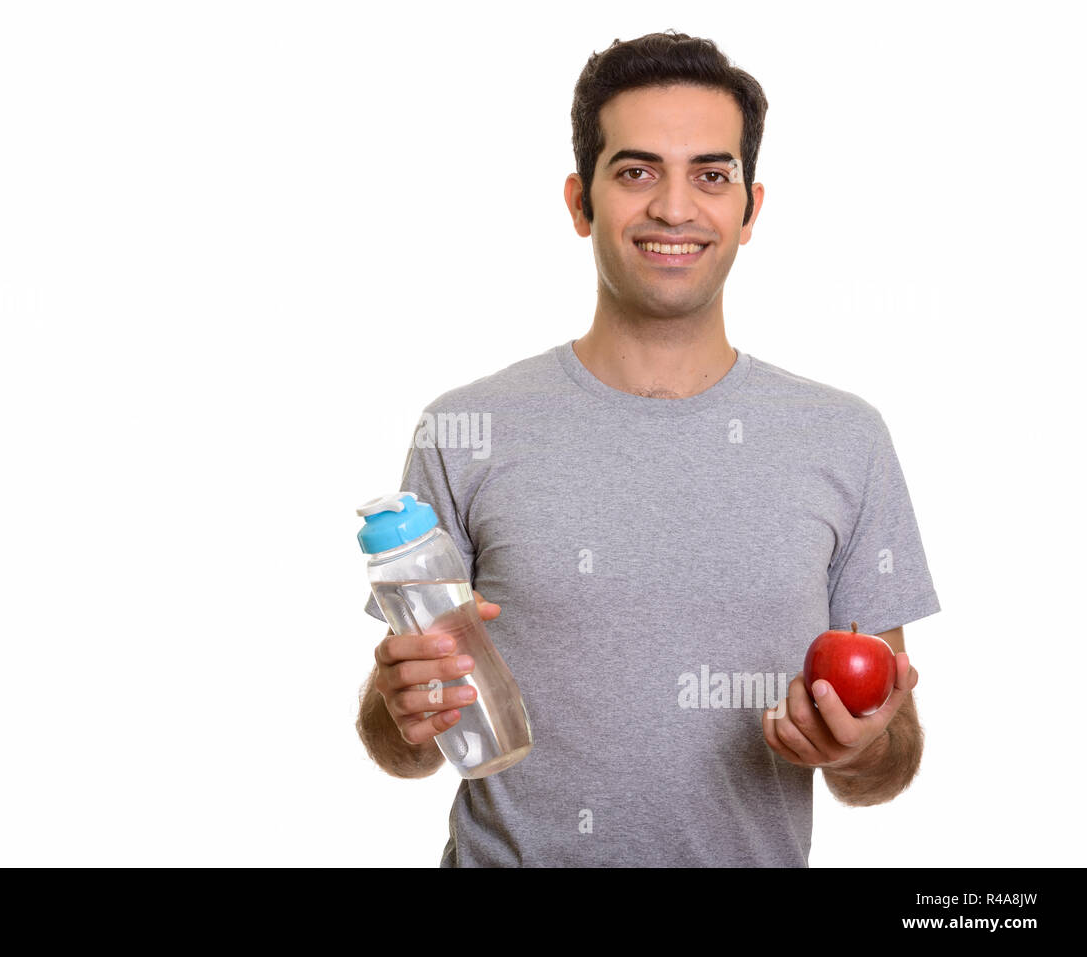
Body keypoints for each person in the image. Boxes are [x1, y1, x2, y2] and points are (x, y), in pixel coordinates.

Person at [355, 30, 939, 866]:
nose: (675, 207)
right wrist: (400, 706)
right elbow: (398, 741)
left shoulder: (846, 439)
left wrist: (860, 745)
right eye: (636, 172)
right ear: (579, 202)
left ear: (750, 209)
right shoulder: (464, 429)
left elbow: (889, 759)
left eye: (711, 174)